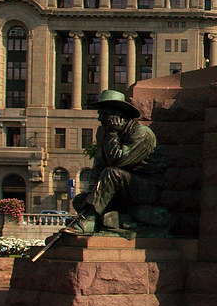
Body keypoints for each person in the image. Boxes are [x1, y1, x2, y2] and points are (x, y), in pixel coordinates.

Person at [63, 90, 166, 235]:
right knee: (80, 200)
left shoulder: (142, 133)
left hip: (146, 189)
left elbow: (118, 161)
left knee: (112, 173)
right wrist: (93, 192)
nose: (99, 118)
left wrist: (112, 134)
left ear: (118, 116)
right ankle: (115, 218)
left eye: (104, 114)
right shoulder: (105, 132)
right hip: (120, 190)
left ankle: (89, 220)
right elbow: (99, 165)